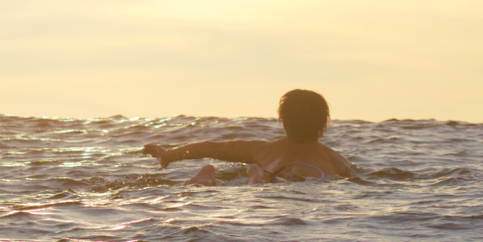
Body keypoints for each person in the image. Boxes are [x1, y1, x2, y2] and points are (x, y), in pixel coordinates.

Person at [142, 89, 353, 185]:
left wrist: (169, 155)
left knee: (263, 178)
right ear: (324, 121)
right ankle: (258, 178)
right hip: (316, 178)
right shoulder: (337, 161)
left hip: (274, 172)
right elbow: (359, 182)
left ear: (283, 119)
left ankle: (208, 177)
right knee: (283, 181)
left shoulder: (263, 149)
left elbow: (210, 147)